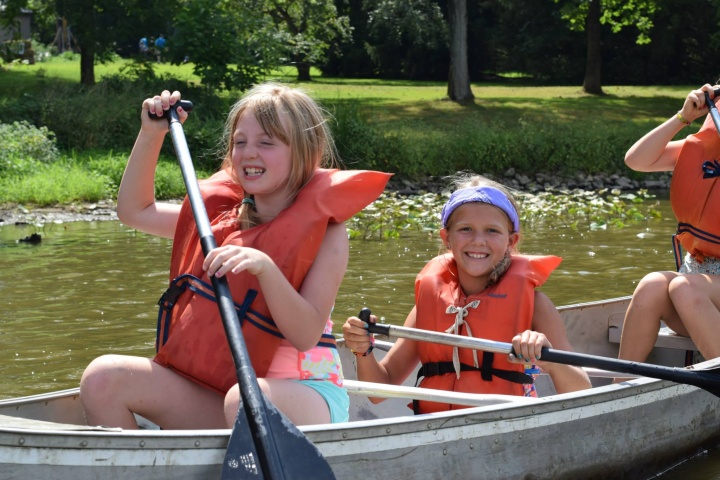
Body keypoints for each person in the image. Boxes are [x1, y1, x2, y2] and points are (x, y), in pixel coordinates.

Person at [79, 82, 390, 429]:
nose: (249, 153)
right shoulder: (217, 221)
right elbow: (135, 212)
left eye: (266, 143)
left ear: (305, 152)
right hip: (221, 391)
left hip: (301, 396)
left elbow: (304, 334)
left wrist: (266, 269)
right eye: (240, 142)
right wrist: (152, 134)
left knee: (245, 398)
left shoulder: (328, 234)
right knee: (102, 379)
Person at [342, 173, 591, 414]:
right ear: (446, 237)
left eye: (492, 231)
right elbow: (378, 391)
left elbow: (581, 390)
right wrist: (363, 349)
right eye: (466, 229)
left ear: (511, 241)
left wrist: (549, 359)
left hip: (508, 427)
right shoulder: (428, 306)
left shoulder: (536, 305)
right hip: (435, 427)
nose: (478, 241)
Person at [618, 84, 720, 363]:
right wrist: (683, 117)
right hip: (697, 292)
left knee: (684, 287)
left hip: (694, 291)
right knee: (653, 285)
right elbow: (636, 159)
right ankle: (620, 391)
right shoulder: (706, 151)